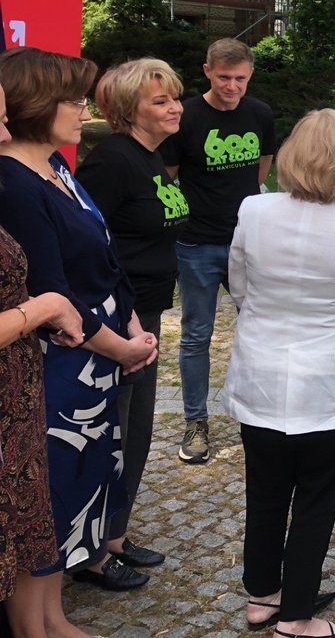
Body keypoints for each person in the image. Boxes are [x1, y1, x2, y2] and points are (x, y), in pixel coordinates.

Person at [0, 47, 158, 600]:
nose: (81, 107)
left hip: (101, 345)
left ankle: (69, 586)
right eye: (70, 98)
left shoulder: (58, 164)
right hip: (65, 358)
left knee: (92, 469)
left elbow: (104, 252)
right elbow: (52, 285)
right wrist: (122, 348)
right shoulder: (14, 181)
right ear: (34, 104)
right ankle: (42, 610)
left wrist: (132, 320)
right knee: (55, 483)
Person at [222, 110, 335, 638]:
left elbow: (239, 286)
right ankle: (295, 618)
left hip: (261, 368)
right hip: (326, 380)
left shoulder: (255, 209)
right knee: (316, 498)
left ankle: (262, 593)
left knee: (264, 490)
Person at [75, 59, 189, 576]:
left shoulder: (151, 156)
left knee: (137, 429)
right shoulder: (111, 161)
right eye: (159, 101)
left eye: (175, 98)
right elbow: (86, 245)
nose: (175, 107)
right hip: (119, 318)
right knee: (114, 428)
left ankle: (115, 534)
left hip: (148, 310)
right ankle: (93, 552)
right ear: (127, 110)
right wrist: (120, 322)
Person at [0, 77, 91, 638]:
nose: (6, 129)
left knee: (28, 524)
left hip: (16, 399)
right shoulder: (14, 181)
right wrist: (46, 307)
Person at [160, 37, 275, 465]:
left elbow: (262, 168)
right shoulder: (185, 116)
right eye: (224, 77)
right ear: (207, 71)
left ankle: (260, 416)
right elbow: (170, 179)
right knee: (195, 335)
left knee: (260, 328)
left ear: (250, 75)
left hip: (246, 241)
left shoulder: (260, 113)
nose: (232, 86)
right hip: (196, 243)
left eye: (240, 78)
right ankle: (195, 421)